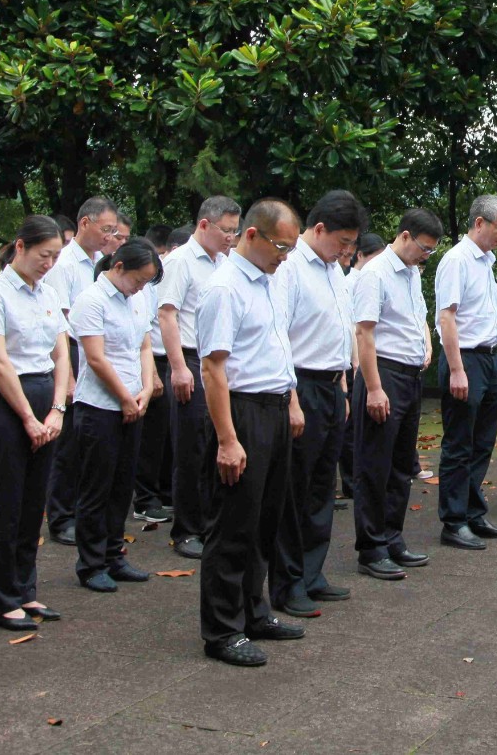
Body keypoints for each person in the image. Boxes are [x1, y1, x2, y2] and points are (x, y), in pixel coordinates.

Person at [197, 199, 304, 667]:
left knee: (265, 521)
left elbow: (277, 346)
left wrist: (291, 400)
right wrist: (227, 439)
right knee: (234, 524)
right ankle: (222, 629)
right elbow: (213, 368)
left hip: (274, 407)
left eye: (291, 248)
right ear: (253, 236)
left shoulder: (270, 281)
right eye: (281, 246)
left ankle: (254, 613)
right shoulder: (224, 288)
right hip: (242, 412)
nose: (286, 256)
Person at [0, 215, 70, 633]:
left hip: (45, 394)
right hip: (7, 399)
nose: (49, 263)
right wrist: (29, 417)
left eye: (55, 257)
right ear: (20, 247)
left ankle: (25, 587)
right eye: (43, 255)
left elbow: (61, 353)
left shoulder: (48, 292)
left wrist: (57, 409)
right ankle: (2, 599)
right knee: (7, 503)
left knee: (33, 503)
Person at [273, 191, 365, 618]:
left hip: (331, 386)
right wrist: (291, 399)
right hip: (301, 385)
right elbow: (279, 336)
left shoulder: (334, 271)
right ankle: (287, 582)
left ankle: (312, 572)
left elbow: (340, 333)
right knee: (295, 487)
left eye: (352, 244)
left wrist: (343, 387)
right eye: (342, 242)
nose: (346, 251)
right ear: (320, 228)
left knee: (322, 486)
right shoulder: (290, 268)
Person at [351, 209, 442, 580]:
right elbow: (364, 332)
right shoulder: (375, 273)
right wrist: (374, 388)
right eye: (424, 248)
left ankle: (392, 537)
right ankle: (371, 547)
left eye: (431, 251)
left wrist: (426, 346)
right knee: (375, 464)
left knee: (402, 464)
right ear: (405, 236)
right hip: (384, 374)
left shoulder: (412, 273)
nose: (426, 255)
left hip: (410, 376)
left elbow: (417, 318)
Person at [70, 238, 160, 591]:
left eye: (146, 282)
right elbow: (95, 358)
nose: (140, 287)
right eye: (138, 279)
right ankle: (91, 563)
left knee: (122, 486)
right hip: (99, 406)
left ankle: (114, 554)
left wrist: (147, 388)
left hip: (133, 403)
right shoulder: (91, 300)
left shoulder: (136, 298)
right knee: (97, 488)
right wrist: (124, 397)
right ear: (118, 267)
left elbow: (144, 345)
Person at [159, 196, 241, 559]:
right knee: (190, 448)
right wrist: (178, 367)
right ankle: (187, 529)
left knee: (214, 443)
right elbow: (167, 315)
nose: (231, 237)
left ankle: (211, 521)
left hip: (219, 361)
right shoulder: (180, 261)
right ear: (204, 225)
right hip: (191, 359)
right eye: (226, 230)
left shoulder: (225, 262)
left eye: (235, 230)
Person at [433, 196, 497, 551]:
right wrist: (456, 369)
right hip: (465, 358)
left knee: (482, 442)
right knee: (459, 443)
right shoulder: (457, 260)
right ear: (480, 223)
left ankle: (472, 511)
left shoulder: (486, 261)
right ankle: (453, 521)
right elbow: (446, 317)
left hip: (490, 358)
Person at [46, 196, 121, 546]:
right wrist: (69, 376)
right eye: (105, 229)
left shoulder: (99, 262)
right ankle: (61, 516)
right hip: (72, 352)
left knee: (88, 443)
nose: (110, 236)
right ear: (85, 223)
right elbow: (60, 323)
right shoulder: (63, 264)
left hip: (95, 351)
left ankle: (82, 511)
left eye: (114, 230)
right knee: (69, 444)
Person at [132, 224, 182, 524]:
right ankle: (145, 498)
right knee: (151, 437)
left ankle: (163, 493)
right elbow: (147, 331)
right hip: (154, 361)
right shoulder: (146, 287)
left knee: (165, 436)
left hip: (166, 360)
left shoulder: (154, 283)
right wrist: (151, 373)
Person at [337, 233, 385, 505]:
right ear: (361, 256)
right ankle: (351, 480)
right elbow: (356, 328)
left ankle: (358, 479)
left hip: (356, 360)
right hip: (348, 361)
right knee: (349, 429)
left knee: (355, 426)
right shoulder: (350, 282)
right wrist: (355, 362)